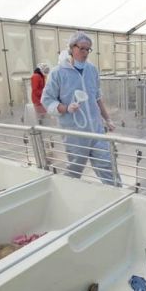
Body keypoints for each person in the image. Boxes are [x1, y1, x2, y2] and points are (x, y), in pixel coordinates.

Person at [41, 31, 119, 186]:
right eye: (82, 48)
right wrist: (65, 108)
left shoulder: (92, 70)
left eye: (88, 49)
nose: (85, 53)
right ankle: (68, 193)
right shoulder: (58, 73)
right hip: (74, 132)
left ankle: (117, 194)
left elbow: (97, 98)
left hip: (96, 130)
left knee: (107, 165)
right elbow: (47, 100)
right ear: (72, 47)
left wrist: (107, 119)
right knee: (75, 168)